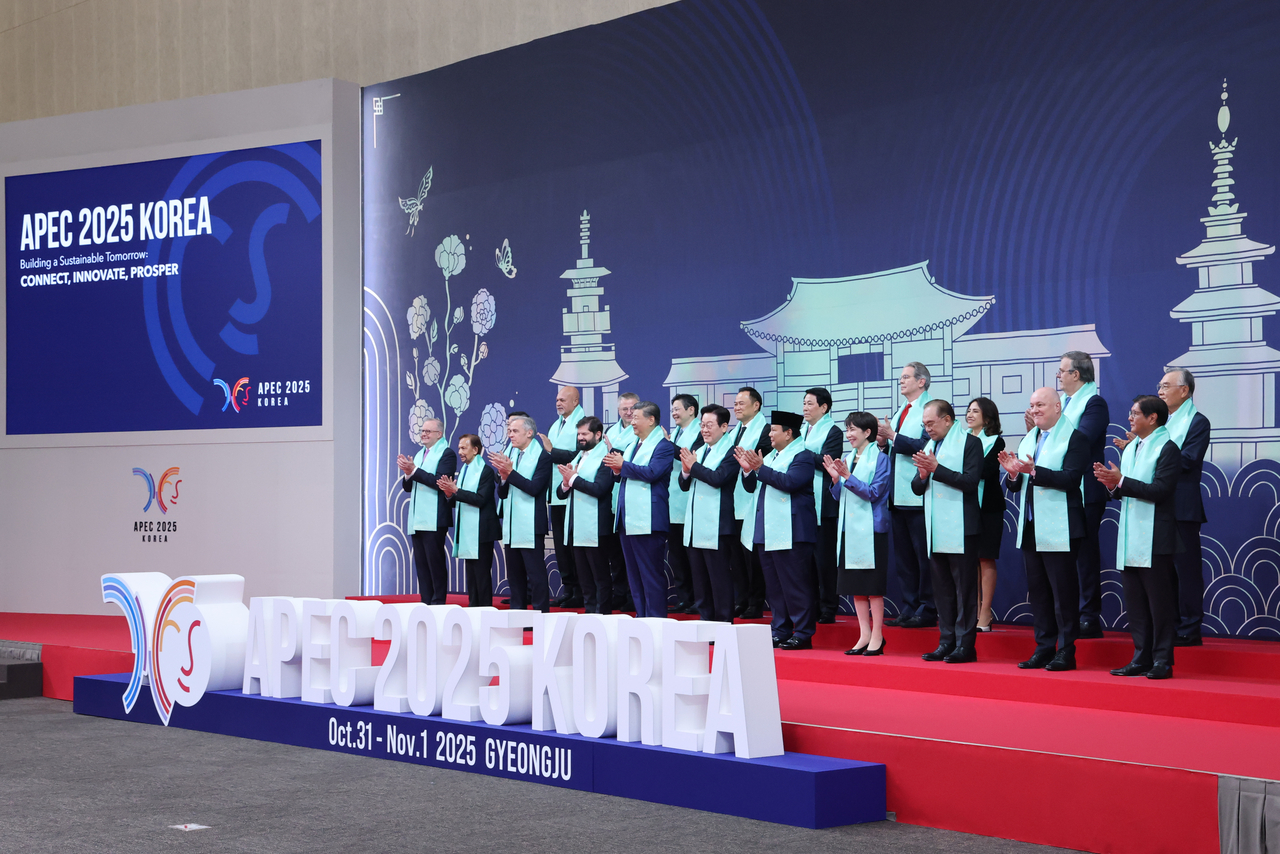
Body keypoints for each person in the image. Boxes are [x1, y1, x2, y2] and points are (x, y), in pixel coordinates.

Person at [1000, 388, 1088, 671]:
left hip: (1061, 526)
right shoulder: (1030, 437)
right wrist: (1013, 473)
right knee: (1038, 593)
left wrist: (1034, 471)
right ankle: (1044, 647)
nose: (1034, 410)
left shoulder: (1075, 438)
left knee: (1063, 594)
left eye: (1040, 405)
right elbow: (1017, 486)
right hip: (1030, 526)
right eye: (1031, 405)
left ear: (1058, 408)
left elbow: (1072, 479)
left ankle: (1067, 650)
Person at [1094, 395, 1181, 680]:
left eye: (1135, 413)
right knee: (1136, 603)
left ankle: (1162, 661)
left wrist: (1121, 481)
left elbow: (1161, 491)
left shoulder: (1167, 448)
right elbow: (1125, 489)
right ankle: (1141, 656)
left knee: (1159, 603)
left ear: (1153, 417)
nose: (1130, 418)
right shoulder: (1132, 447)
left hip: (1155, 536)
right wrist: (1112, 484)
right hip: (1131, 534)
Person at [737, 411, 818, 650]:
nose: (770, 434)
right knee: (774, 586)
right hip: (766, 530)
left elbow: (790, 483)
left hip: (793, 531)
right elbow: (752, 487)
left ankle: (803, 632)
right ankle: (780, 629)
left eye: (774, 430)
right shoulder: (772, 456)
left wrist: (761, 468)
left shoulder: (803, 456)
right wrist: (748, 470)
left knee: (796, 585)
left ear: (789, 433)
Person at [910, 399, 983, 663]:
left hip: (962, 527)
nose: (927, 428)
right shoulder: (929, 446)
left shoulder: (971, 443)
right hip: (935, 527)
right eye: (924, 424)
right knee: (942, 590)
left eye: (931, 423)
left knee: (964, 590)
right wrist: (921, 476)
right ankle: (946, 641)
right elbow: (917, 488)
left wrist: (936, 469)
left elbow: (971, 482)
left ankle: (966, 645)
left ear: (948, 420)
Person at [823, 411, 890, 655]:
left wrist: (848, 477)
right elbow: (842, 497)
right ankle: (864, 634)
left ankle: (878, 635)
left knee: (872, 587)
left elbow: (874, 493)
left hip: (872, 530)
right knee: (856, 586)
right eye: (847, 429)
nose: (849, 435)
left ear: (868, 432)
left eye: (853, 430)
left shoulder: (881, 459)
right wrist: (835, 482)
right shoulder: (848, 458)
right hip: (849, 529)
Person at [1054, 351, 1109, 639]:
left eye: (1062, 371)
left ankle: (1088, 615)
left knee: (1085, 555)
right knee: (1062, 556)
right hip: (1059, 487)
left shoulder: (1094, 403)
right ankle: (1067, 614)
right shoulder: (1061, 404)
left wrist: (1050, 430)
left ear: (1076, 374)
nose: (1059, 376)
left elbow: (1082, 439)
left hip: (1085, 487)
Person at [877, 362, 936, 628]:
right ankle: (909, 606)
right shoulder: (902, 409)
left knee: (923, 557)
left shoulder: (929, 409)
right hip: (896, 494)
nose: (901, 381)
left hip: (918, 494)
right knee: (904, 558)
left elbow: (927, 444)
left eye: (906, 377)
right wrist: (883, 441)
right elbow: (896, 444)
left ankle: (928, 607)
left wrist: (893, 436)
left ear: (921, 381)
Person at [605, 400, 675, 618]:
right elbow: (621, 474)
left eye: (636, 418)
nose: (632, 422)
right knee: (633, 574)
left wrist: (622, 466)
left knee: (650, 574)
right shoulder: (632, 444)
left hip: (649, 519)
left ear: (651, 419)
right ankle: (642, 616)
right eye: (631, 417)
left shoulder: (663, 446)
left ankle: (655, 619)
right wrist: (616, 469)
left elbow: (653, 473)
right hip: (628, 518)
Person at [1159, 369, 1210, 647]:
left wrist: (1155, 448)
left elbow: (1189, 460)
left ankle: (1190, 627)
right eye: (1160, 386)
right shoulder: (1159, 423)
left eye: (1167, 386)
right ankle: (1171, 624)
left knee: (1186, 570)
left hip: (1183, 505)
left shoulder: (1198, 422)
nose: (1161, 391)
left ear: (1185, 391)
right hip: (1158, 502)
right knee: (1163, 572)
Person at [679, 404, 739, 623]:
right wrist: (685, 471)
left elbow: (718, 479)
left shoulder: (732, 452)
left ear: (724, 427)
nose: (704, 430)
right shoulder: (701, 450)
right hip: (695, 525)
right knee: (700, 579)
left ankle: (722, 623)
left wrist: (692, 467)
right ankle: (706, 621)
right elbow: (685, 485)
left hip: (718, 526)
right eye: (702, 425)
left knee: (719, 579)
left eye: (709, 425)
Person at [490, 415, 553, 612]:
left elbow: (535, 488)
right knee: (514, 575)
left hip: (531, 523)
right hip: (511, 522)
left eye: (515, 431)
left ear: (529, 433)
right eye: (509, 431)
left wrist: (510, 474)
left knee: (535, 574)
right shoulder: (512, 455)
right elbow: (502, 493)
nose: (510, 435)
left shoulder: (542, 457)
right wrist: (502, 478)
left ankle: (540, 613)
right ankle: (517, 613)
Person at [555, 416, 615, 614]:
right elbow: (560, 493)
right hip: (576, 526)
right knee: (584, 578)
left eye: (584, 434)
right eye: (578, 434)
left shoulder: (606, 457)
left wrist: (573, 479)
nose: (580, 438)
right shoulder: (577, 457)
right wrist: (566, 483)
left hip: (596, 526)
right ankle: (590, 615)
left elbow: (600, 489)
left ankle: (602, 615)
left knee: (600, 576)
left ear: (598, 435)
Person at [397, 418, 457, 605]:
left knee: (435, 562)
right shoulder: (420, 453)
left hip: (435, 517)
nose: (423, 434)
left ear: (439, 434)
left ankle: (438, 601)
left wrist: (414, 470)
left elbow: (440, 482)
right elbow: (408, 488)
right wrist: (408, 473)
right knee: (421, 564)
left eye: (428, 431)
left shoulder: (447, 454)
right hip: (418, 517)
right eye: (422, 431)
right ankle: (425, 601)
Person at [436, 434, 499, 607]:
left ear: (475, 450)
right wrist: (450, 495)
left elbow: (480, 499)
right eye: (459, 448)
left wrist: (455, 490)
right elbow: (460, 497)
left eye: (464, 448)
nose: (460, 452)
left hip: (482, 531)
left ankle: (485, 610)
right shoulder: (465, 469)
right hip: (467, 530)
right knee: (471, 575)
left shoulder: (485, 471)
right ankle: (473, 608)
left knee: (482, 575)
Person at [802, 388, 845, 624]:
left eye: (810, 404)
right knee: (806, 561)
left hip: (824, 504)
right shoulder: (800, 431)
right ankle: (811, 605)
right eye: (804, 404)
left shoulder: (834, 431)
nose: (805, 408)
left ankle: (829, 605)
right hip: (802, 503)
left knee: (824, 559)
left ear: (824, 407)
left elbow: (828, 461)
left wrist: (801, 453)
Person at [728, 387, 772, 618]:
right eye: (735, 403)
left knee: (752, 558)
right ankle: (741, 599)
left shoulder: (764, 431)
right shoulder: (735, 431)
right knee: (736, 557)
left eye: (741, 403)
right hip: (734, 500)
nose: (736, 407)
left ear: (756, 405)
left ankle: (756, 603)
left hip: (753, 500)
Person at [539, 386, 584, 609]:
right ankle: (568, 588)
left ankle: (581, 590)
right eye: (556, 399)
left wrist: (551, 452)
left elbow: (580, 455)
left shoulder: (583, 423)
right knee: (561, 545)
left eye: (563, 400)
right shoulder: (557, 424)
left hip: (575, 493)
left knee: (575, 544)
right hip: (556, 494)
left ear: (575, 401)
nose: (558, 403)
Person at [966, 398, 1006, 631]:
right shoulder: (961, 440)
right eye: (968, 411)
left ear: (987, 417)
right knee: (970, 561)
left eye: (975, 411)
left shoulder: (995, 441)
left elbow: (986, 470)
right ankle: (972, 609)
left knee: (985, 558)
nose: (970, 415)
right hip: (966, 506)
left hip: (988, 508)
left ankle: (985, 612)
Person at [666, 393, 704, 614]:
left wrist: (667, 444)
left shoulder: (701, 433)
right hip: (673, 502)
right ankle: (684, 597)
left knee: (692, 557)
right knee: (677, 556)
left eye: (678, 408)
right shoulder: (678, 433)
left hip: (691, 501)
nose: (674, 412)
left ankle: (697, 599)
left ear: (691, 410)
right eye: (672, 409)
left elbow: (688, 457)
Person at [605, 393, 640, 612]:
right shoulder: (610, 432)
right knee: (615, 555)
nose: (628, 413)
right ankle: (619, 592)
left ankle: (632, 595)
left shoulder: (641, 433)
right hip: (613, 497)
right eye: (624, 409)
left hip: (633, 498)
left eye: (632, 408)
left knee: (633, 555)